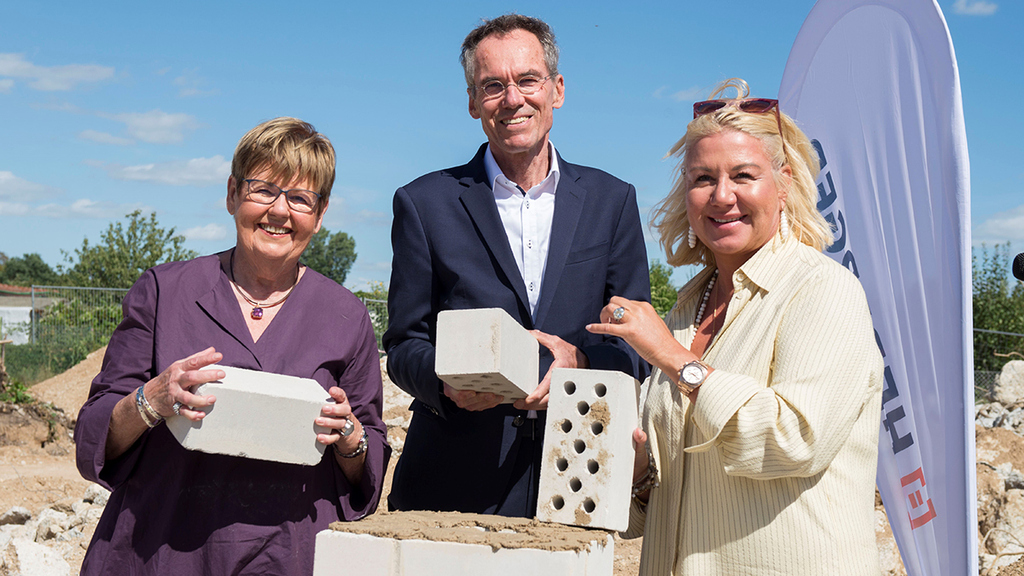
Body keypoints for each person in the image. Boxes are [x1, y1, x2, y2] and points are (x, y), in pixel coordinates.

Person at [587, 79, 884, 575]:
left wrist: (675, 360)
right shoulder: (685, 311)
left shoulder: (822, 289)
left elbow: (794, 440)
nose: (722, 196)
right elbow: (651, 509)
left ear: (784, 183)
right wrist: (638, 472)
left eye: (743, 175)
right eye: (703, 178)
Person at [75, 117, 390, 575]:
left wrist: (350, 436)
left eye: (300, 198)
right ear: (231, 195)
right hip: (159, 550)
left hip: (286, 557)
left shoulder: (346, 317)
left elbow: (370, 460)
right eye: (262, 189)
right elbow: (96, 430)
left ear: (320, 216)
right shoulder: (165, 292)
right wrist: (151, 401)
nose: (280, 211)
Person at [384, 14, 650, 518]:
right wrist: (447, 382)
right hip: (452, 484)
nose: (512, 99)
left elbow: (634, 337)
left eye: (528, 80)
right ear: (471, 101)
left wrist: (584, 364)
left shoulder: (612, 200)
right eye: (492, 86)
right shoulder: (424, 203)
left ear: (557, 89)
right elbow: (402, 344)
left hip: (577, 478)